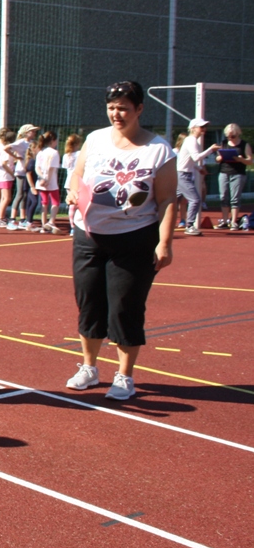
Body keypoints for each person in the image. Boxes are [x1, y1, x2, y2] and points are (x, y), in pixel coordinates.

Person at [64, 80, 176, 401]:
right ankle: (89, 367)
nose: (116, 114)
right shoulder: (95, 139)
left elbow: (168, 199)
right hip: (88, 235)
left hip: (134, 239)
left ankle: (125, 375)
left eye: (124, 108)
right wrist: (73, 191)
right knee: (89, 303)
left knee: (125, 307)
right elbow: (77, 174)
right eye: (112, 108)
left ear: (139, 109)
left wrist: (164, 242)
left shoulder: (158, 150)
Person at [175, 117, 217, 236]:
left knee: (172, 201)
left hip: (183, 174)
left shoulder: (192, 140)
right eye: (201, 127)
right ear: (193, 128)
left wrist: (199, 169)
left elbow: (189, 160)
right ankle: (189, 226)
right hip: (182, 175)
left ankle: (156, 221)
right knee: (195, 199)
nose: (204, 129)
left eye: (205, 126)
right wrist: (211, 149)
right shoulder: (191, 140)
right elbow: (196, 157)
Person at [214, 123, 251, 230]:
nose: (230, 138)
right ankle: (225, 220)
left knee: (235, 198)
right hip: (224, 172)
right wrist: (220, 157)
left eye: (233, 136)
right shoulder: (224, 143)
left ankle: (234, 221)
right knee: (223, 197)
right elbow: (217, 158)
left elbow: (250, 161)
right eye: (228, 136)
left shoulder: (244, 144)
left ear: (238, 134)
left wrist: (241, 159)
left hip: (238, 173)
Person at [7, 124, 39, 230]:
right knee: (19, 194)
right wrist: (16, 157)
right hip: (21, 171)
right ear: (26, 133)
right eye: (32, 131)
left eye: (34, 131)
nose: (34, 133)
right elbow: (6, 148)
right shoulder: (21, 142)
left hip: (27, 171)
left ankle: (22, 219)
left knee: (25, 196)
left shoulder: (32, 143)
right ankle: (12, 219)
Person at [34, 131, 62, 233]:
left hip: (41, 181)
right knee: (55, 202)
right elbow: (51, 168)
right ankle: (51, 221)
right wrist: (47, 180)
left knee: (44, 202)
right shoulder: (54, 153)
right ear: (53, 140)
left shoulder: (40, 152)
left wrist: (42, 177)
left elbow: (37, 168)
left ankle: (44, 224)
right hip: (51, 182)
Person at [0, 128, 17, 227]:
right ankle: (0, 218)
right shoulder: (4, 149)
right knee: (6, 198)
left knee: (2, 197)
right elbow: (3, 163)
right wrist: (12, 174)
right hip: (4, 175)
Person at [60, 134, 83, 216]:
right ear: (77, 144)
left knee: (72, 202)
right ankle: (76, 221)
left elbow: (65, 167)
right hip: (77, 180)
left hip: (68, 181)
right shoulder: (79, 153)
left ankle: (71, 222)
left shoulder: (66, 156)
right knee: (78, 202)